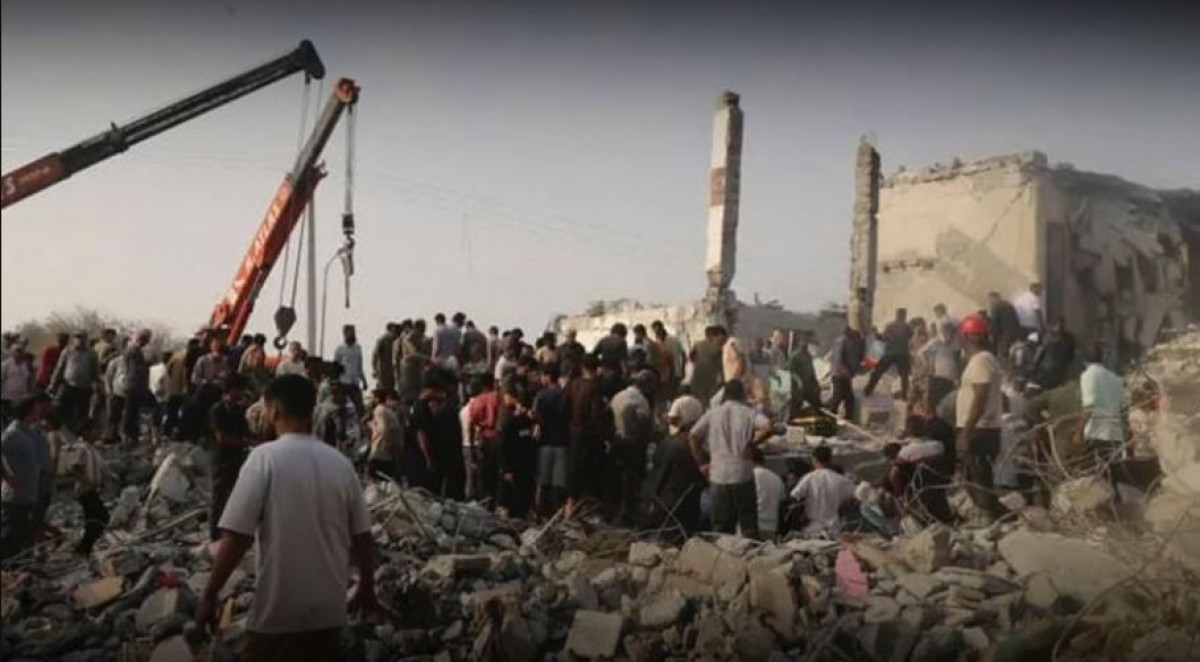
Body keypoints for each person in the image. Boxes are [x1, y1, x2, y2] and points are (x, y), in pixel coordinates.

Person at [197, 375, 377, 659]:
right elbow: (363, 538)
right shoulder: (341, 464)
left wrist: (209, 595)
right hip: (329, 614)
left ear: (275, 410)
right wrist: (367, 588)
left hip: (279, 615)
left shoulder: (264, 458)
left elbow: (237, 538)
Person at [689, 380, 772, 538]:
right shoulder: (748, 412)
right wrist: (751, 444)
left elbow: (693, 436)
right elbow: (768, 428)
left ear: (725, 395)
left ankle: (723, 552)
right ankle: (749, 552)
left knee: (721, 527)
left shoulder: (713, 413)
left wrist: (702, 464)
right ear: (742, 395)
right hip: (743, 474)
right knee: (748, 526)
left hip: (718, 476)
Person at [956, 315, 1004, 519]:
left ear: (970, 337)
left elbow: (980, 397)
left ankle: (988, 516)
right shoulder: (987, 359)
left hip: (979, 429)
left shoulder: (980, 361)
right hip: (984, 427)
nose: (960, 339)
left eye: (962, 335)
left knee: (977, 476)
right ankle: (990, 513)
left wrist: (966, 432)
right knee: (975, 475)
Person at [645, 390, 705, 537]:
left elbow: (658, 477)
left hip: (670, 506)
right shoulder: (700, 447)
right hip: (692, 508)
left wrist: (650, 500)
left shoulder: (670, 445)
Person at [1, 394, 53, 560]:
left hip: (30, 493)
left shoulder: (31, 432)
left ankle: (23, 566)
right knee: (11, 534)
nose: (39, 412)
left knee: (26, 534)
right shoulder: (13, 434)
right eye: (36, 409)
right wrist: (7, 476)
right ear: (28, 411)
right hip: (15, 496)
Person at [208, 374, 252, 542]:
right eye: (238, 390)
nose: (240, 394)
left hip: (236, 458)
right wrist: (244, 443)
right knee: (219, 497)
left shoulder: (238, 411)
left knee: (234, 496)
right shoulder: (217, 410)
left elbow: (246, 432)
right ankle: (215, 535)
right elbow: (221, 437)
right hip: (221, 459)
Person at [609, 370, 655, 526]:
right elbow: (641, 425)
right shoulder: (641, 401)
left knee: (617, 480)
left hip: (616, 441)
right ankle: (629, 515)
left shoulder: (618, 396)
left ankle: (615, 513)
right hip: (633, 445)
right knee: (632, 482)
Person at [411, 368, 466, 500]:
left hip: (448, 459)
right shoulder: (421, 407)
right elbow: (421, 434)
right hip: (435, 460)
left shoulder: (440, 406)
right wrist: (428, 459)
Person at [564, 354, 608, 513]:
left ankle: (569, 506)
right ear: (596, 369)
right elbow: (596, 416)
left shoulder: (573, 384)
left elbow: (564, 406)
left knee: (574, 472)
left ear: (583, 367)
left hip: (573, 432)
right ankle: (579, 509)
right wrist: (604, 437)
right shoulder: (595, 388)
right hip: (588, 436)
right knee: (587, 474)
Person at [1079, 345, 1127, 490]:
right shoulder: (1116, 379)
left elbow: (1089, 406)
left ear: (1083, 360)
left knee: (1097, 480)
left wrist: (1078, 432)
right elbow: (1123, 409)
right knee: (1112, 477)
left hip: (1097, 434)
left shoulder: (1088, 375)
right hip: (1115, 435)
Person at [789, 444, 857, 536]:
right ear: (830, 459)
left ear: (814, 459)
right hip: (834, 528)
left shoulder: (809, 478)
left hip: (812, 528)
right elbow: (854, 498)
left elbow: (794, 496)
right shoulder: (842, 480)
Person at [65, 417, 108, 555]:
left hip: (91, 489)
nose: (99, 432)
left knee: (96, 518)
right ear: (86, 431)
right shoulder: (81, 447)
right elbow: (76, 467)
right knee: (99, 517)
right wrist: (86, 481)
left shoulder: (91, 448)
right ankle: (83, 549)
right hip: (85, 490)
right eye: (96, 429)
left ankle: (85, 548)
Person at [497, 378, 538, 518]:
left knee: (523, 498)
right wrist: (507, 469)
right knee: (508, 499)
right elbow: (504, 447)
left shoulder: (528, 422)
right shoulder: (510, 424)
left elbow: (531, 444)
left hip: (525, 468)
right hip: (513, 467)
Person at [533, 364, 570, 514]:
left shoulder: (541, 395)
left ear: (548, 377)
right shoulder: (565, 394)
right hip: (562, 441)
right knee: (558, 482)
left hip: (545, 441)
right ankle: (556, 510)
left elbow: (536, 416)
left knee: (543, 480)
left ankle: (540, 511)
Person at [50, 332, 100, 428]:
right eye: (78, 338)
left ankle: (77, 431)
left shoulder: (92, 353)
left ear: (86, 339)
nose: (80, 340)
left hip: (84, 387)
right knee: (62, 409)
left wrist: (97, 384)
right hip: (68, 385)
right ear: (74, 339)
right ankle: (62, 430)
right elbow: (59, 368)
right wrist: (53, 384)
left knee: (81, 413)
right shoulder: (67, 351)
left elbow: (96, 371)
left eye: (82, 338)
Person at [468, 373, 503, 505]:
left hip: (484, 438)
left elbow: (471, 425)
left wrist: (472, 444)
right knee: (498, 473)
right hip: (498, 438)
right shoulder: (499, 398)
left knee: (484, 474)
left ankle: (485, 502)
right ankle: (497, 502)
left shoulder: (477, 401)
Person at [864, 308, 913, 399]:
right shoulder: (907, 327)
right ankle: (904, 395)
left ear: (896, 315)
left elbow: (883, 338)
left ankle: (868, 390)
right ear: (904, 316)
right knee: (904, 376)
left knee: (878, 371)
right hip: (902, 353)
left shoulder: (890, 326)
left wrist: (876, 333)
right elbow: (910, 337)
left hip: (890, 352)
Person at [920, 321, 961, 413]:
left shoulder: (955, 346)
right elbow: (921, 353)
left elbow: (957, 361)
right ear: (943, 332)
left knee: (947, 407)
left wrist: (958, 377)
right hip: (937, 378)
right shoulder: (936, 342)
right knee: (933, 404)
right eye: (948, 332)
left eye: (952, 332)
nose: (950, 335)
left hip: (950, 380)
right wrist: (927, 365)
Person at [826, 326, 865, 420]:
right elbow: (838, 360)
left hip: (845, 375)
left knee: (848, 398)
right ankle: (830, 417)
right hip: (839, 375)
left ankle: (848, 418)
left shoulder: (849, 341)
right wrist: (846, 371)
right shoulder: (842, 341)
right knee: (838, 397)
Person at [367, 389, 404, 482]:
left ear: (377, 399)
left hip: (380, 452)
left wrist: (385, 444)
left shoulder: (379, 410)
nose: (370, 400)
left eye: (372, 398)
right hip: (389, 453)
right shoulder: (388, 411)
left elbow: (384, 429)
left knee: (374, 480)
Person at [750, 447, 786, 540]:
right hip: (771, 527)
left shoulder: (749, 476)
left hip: (752, 525)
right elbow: (782, 503)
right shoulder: (776, 478)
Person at [122, 330, 152, 445]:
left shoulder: (134, 350)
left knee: (133, 411)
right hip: (133, 384)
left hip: (134, 384)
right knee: (130, 411)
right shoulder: (134, 350)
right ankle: (128, 435)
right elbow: (136, 370)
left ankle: (131, 434)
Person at [1032, 316, 1076, 390]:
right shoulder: (1048, 337)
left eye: (1062, 325)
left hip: (1058, 370)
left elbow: (1071, 355)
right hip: (1049, 370)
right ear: (1054, 325)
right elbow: (1040, 353)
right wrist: (1035, 367)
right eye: (1058, 325)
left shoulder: (1068, 338)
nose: (1060, 327)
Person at [334, 324, 368, 417]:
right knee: (342, 410)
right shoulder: (340, 349)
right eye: (349, 332)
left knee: (360, 409)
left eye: (353, 332)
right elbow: (335, 367)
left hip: (354, 383)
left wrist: (364, 380)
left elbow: (359, 366)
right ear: (345, 334)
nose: (352, 334)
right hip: (343, 383)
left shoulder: (358, 348)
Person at [2, 342, 36, 426]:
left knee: (16, 417)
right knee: (5, 418)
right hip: (7, 397)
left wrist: (31, 392)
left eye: (20, 351)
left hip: (21, 397)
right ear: (12, 352)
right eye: (16, 351)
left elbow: (29, 379)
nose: (18, 354)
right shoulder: (6, 364)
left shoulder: (27, 365)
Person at [787, 335, 822, 414]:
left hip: (808, 386)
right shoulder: (795, 356)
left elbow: (812, 372)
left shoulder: (808, 357)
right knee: (795, 407)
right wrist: (798, 381)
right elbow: (790, 371)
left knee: (816, 403)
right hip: (798, 388)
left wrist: (816, 385)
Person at [689, 326, 724, 406]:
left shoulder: (698, 344)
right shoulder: (718, 347)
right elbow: (721, 364)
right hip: (711, 376)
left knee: (699, 397)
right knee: (710, 398)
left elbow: (691, 356)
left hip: (698, 374)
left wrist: (697, 362)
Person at [397, 319, 429, 404]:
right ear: (416, 328)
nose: (423, 332)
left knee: (419, 393)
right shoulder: (408, 339)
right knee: (409, 394)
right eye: (422, 330)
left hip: (418, 370)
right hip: (408, 370)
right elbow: (413, 353)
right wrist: (428, 359)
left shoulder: (421, 339)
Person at [987, 292, 1022, 361]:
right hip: (1015, 333)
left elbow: (994, 324)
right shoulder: (1009, 304)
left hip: (1005, 335)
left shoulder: (995, 307)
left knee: (1003, 354)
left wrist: (992, 336)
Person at [371, 323, 399, 393]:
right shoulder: (382, 340)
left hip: (392, 371)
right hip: (383, 370)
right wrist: (374, 369)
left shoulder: (396, 341)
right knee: (383, 389)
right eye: (392, 331)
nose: (394, 333)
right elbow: (375, 355)